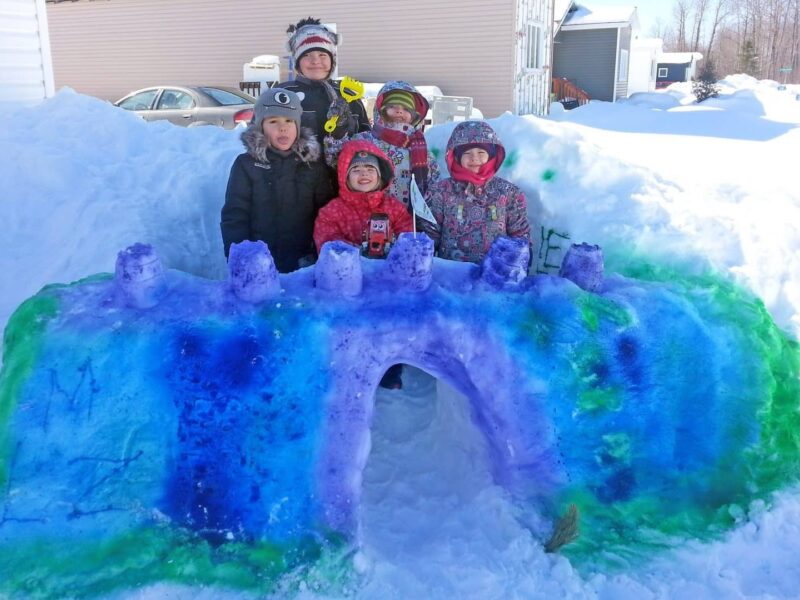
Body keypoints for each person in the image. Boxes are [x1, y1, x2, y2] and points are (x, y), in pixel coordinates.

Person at [314, 140, 413, 390]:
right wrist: (356, 255)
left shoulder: (395, 209)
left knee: (389, 325)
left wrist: (392, 250)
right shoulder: (332, 211)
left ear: (381, 176)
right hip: (348, 286)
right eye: (356, 170)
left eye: (370, 169)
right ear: (345, 176)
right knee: (351, 329)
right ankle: (350, 367)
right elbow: (326, 244)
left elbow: (408, 238)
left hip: (387, 284)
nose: (364, 174)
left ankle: (390, 368)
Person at [220, 87, 334, 273]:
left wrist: (319, 253)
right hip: (259, 263)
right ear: (260, 126)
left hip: (303, 262)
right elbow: (235, 215)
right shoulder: (246, 165)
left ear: (298, 125)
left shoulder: (312, 165)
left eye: (289, 121)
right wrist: (241, 256)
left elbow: (326, 214)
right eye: (273, 121)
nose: (283, 127)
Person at [423, 120, 531, 264]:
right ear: (455, 157)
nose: (474, 158)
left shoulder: (509, 193)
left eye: (481, 152)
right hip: (452, 276)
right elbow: (430, 234)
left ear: (492, 155)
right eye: (467, 153)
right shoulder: (441, 191)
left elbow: (520, 235)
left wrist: (517, 267)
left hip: (494, 276)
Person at [324, 81, 440, 209]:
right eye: (393, 106)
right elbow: (336, 159)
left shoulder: (420, 148)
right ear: (381, 111)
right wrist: (338, 132)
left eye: (406, 109)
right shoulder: (365, 140)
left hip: (407, 219)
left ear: (414, 116)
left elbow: (433, 184)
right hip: (366, 215)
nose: (399, 112)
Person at [279, 17, 370, 149]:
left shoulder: (348, 95)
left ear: (332, 60)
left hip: (342, 168)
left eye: (322, 55)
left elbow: (365, 139)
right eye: (306, 55)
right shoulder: (282, 94)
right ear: (297, 62)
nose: (315, 61)